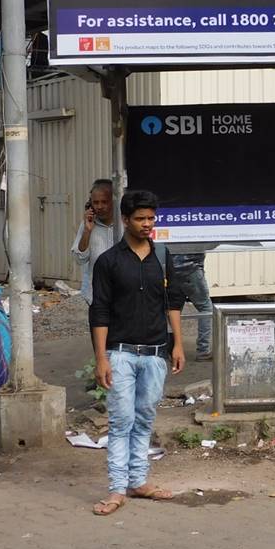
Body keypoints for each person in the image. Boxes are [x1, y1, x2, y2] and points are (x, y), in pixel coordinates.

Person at [88, 190, 186, 516]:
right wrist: (100, 358)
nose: (148, 224)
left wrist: (178, 345)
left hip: (157, 352)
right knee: (121, 421)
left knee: (144, 418)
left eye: (151, 218)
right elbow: (99, 311)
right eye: (141, 219)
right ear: (126, 220)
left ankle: (139, 481)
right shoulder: (108, 262)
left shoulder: (163, 257)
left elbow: (173, 303)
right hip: (120, 353)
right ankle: (117, 489)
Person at [70, 178, 115, 305]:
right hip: (97, 296)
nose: (99, 206)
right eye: (96, 202)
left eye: (104, 202)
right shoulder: (87, 226)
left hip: (123, 296)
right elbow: (79, 259)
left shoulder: (125, 225)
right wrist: (87, 231)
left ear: (114, 201)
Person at [171, 252, 213, 361]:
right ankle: (203, 351)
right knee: (206, 308)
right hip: (191, 268)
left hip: (171, 269)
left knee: (173, 309)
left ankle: (171, 349)